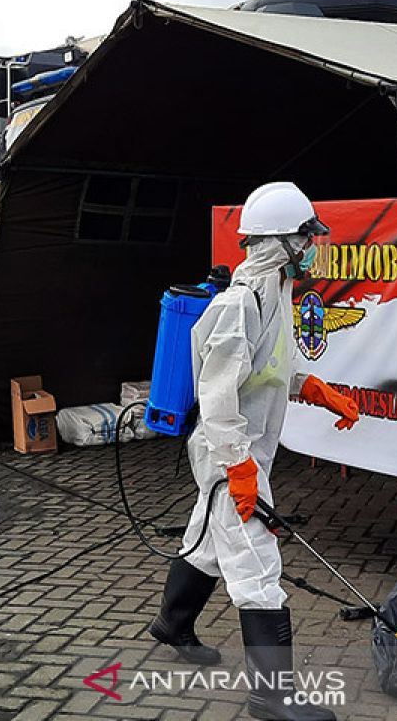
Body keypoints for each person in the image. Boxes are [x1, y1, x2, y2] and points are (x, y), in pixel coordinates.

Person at [147, 182, 358, 721]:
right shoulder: (239, 304)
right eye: (307, 238)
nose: (313, 247)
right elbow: (216, 395)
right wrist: (238, 467)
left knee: (209, 543)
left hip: (242, 454)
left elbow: (268, 368)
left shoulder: (274, 294)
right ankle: (272, 698)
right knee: (258, 567)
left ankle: (172, 623)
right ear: (282, 242)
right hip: (228, 453)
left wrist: (314, 388)